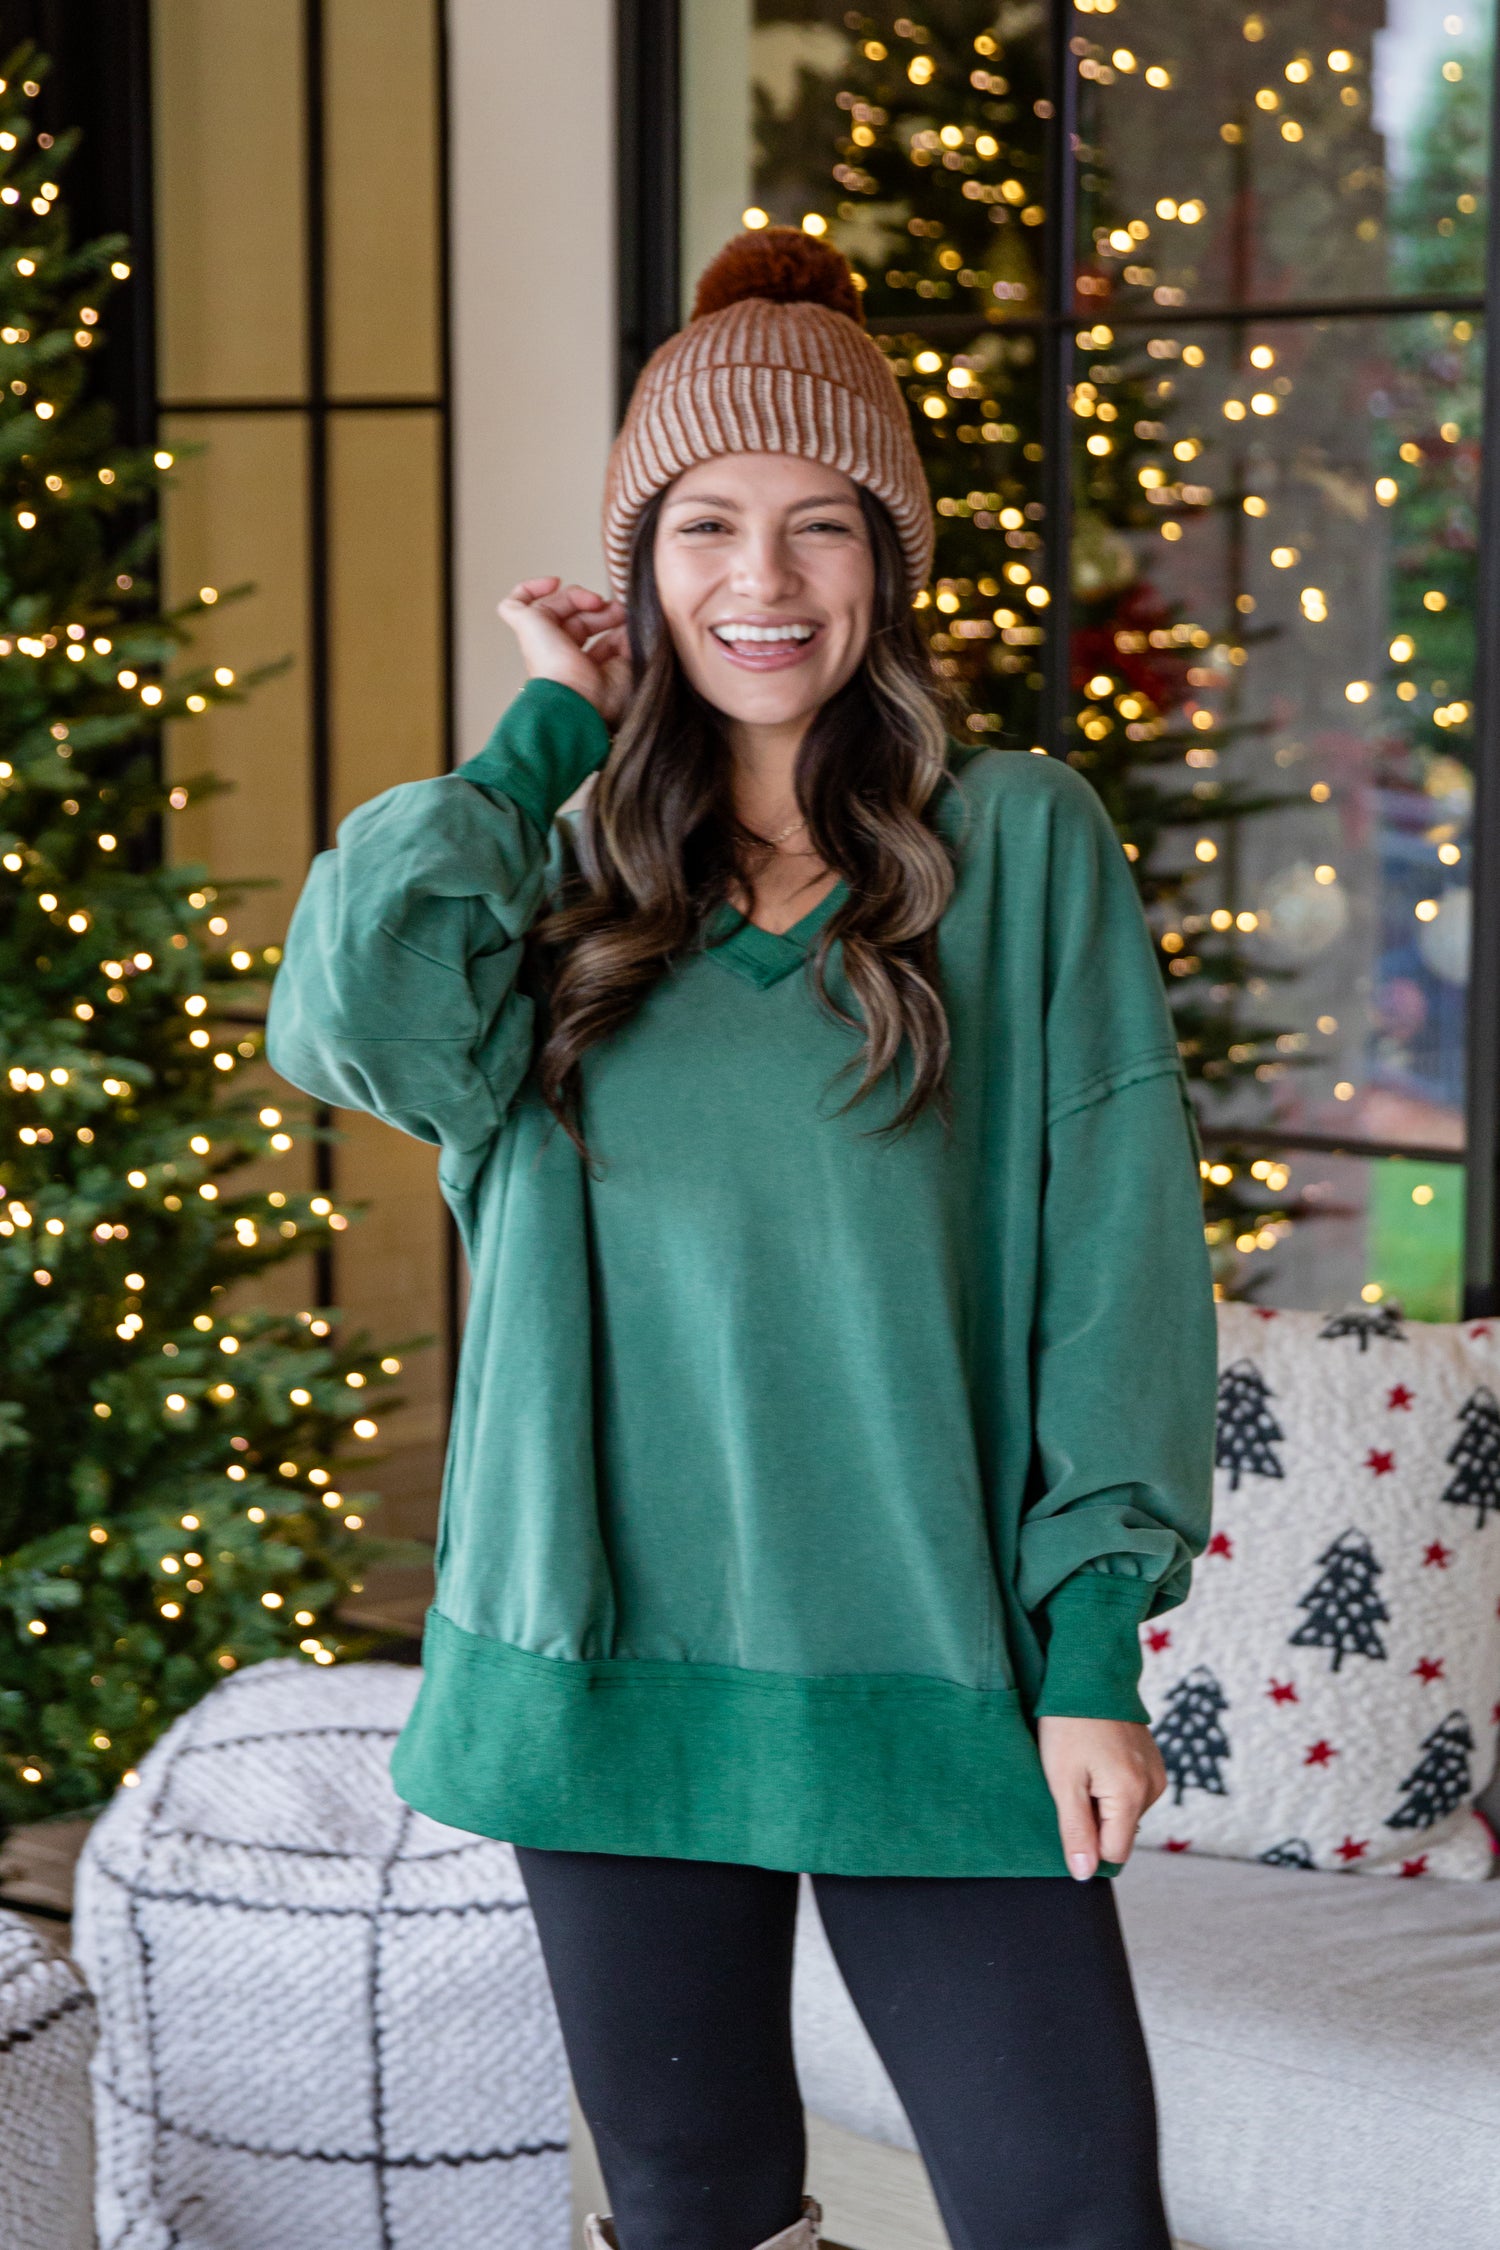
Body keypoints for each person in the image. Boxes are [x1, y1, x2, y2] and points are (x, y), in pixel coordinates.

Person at [267, 229, 1217, 2250]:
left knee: (1070, 2215)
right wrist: (543, 736)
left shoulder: (1024, 841)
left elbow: (1116, 1261)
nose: (761, 580)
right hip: (604, 1673)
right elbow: (346, 1008)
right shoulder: (556, 862)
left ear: (887, 560)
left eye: (817, 526)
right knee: (696, 2207)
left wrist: (1088, 1649)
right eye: (703, 526)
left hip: (937, 1671)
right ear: (639, 569)